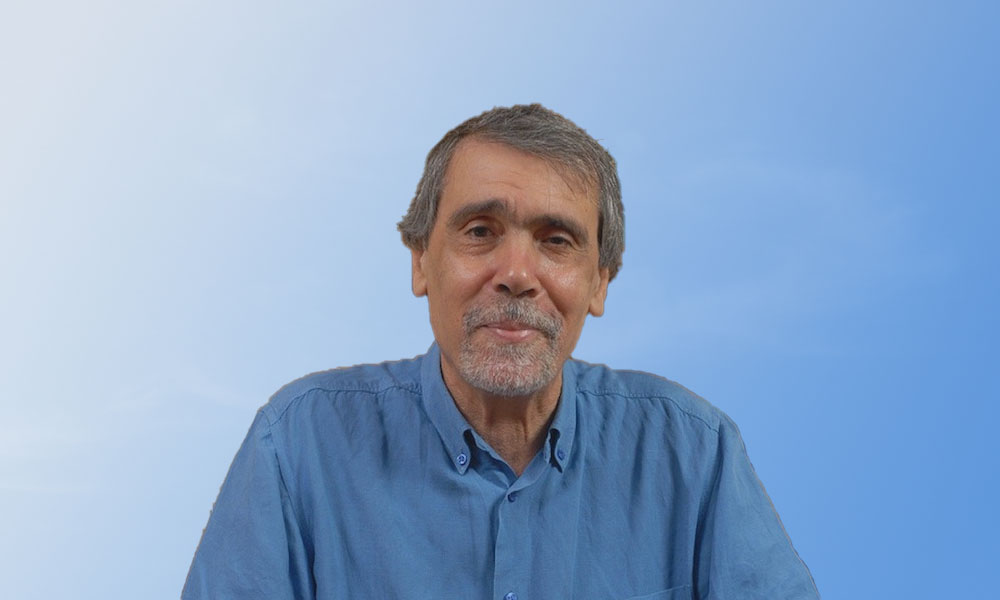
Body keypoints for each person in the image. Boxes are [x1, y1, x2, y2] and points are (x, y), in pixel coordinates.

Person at [182, 104, 819, 599]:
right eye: (481, 231)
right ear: (420, 261)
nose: (516, 274)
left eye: (556, 240)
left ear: (600, 283)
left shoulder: (695, 453)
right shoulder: (297, 446)